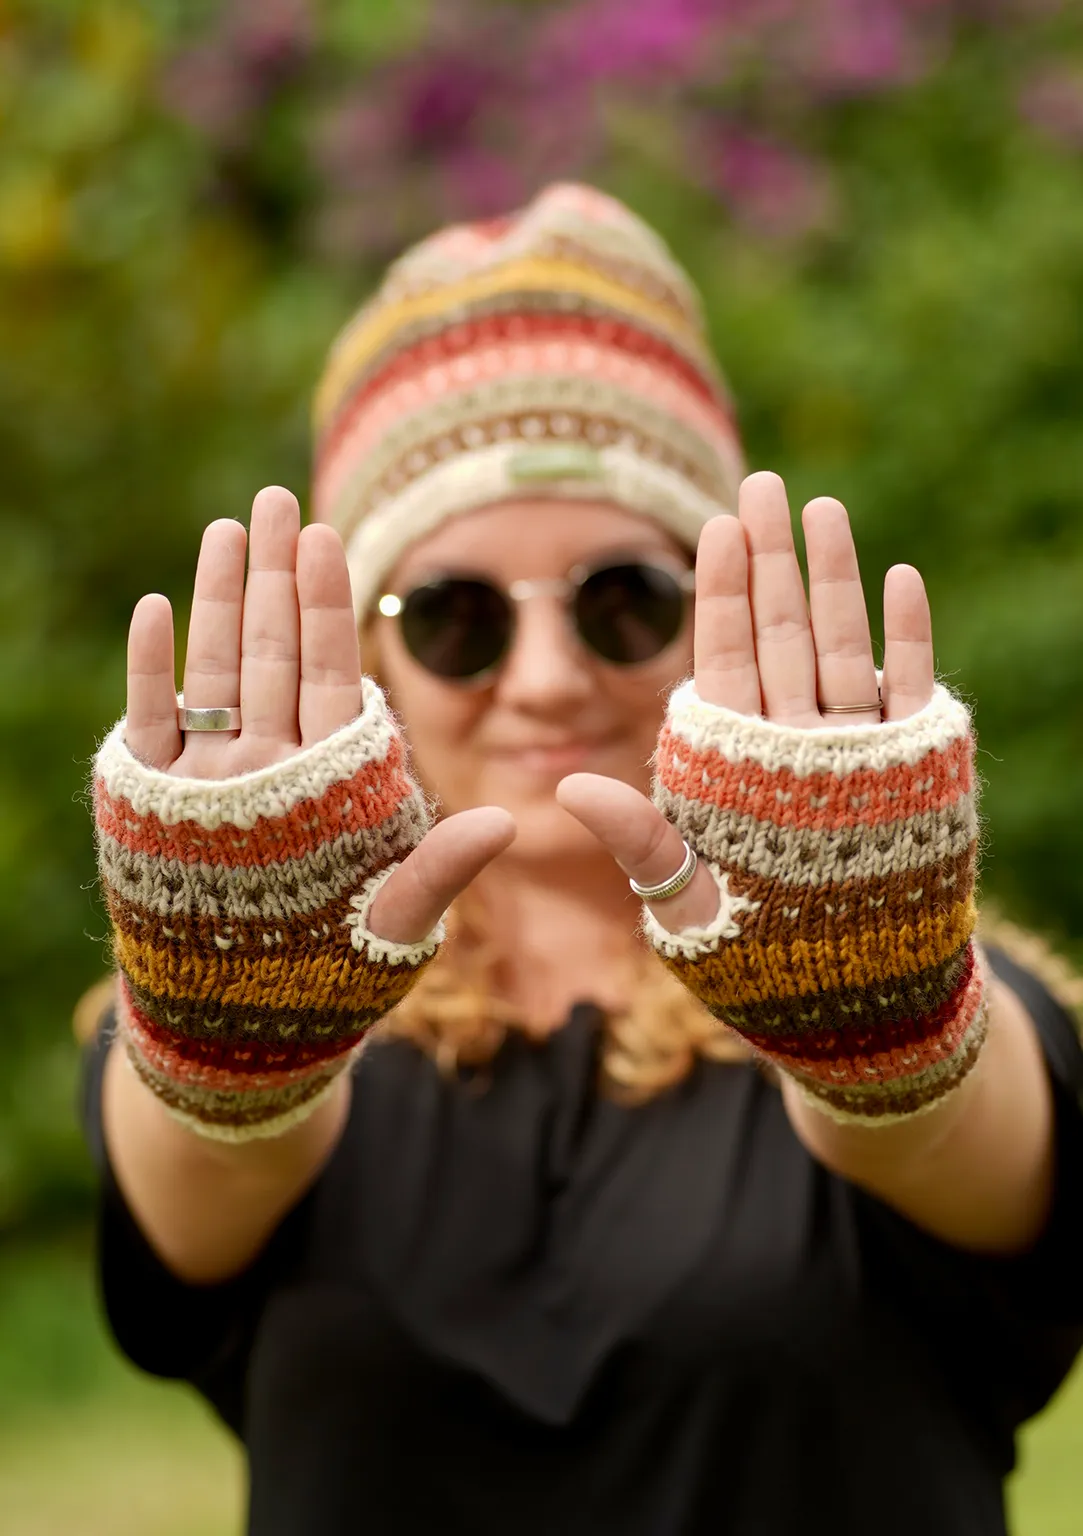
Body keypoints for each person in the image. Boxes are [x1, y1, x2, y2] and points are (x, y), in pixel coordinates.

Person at [82, 183, 1083, 1535]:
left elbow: (960, 1130)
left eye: (623, 601)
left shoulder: (941, 982)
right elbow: (204, 1179)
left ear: (722, 617)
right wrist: (239, 1054)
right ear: (365, 654)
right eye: (453, 616)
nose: (547, 681)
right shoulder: (231, 1001)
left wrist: (880, 1024)